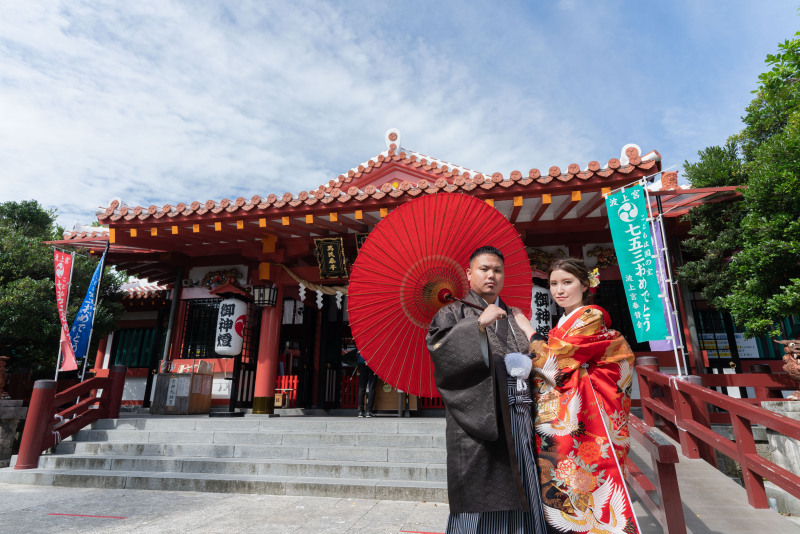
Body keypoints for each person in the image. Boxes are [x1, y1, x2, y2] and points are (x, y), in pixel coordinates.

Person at [513, 258, 640, 534]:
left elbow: (556, 362)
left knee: (586, 476)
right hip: (567, 412)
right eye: (553, 284)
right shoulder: (564, 322)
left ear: (585, 285)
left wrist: (528, 331)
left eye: (567, 282)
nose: (559, 290)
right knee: (562, 478)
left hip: (586, 417)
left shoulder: (590, 317)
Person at [427, 245, 547, 533]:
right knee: (478, 491)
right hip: (478, 417)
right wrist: (477, 325)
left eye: (497, 270)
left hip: (519, 416)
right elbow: (442, 356)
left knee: (523, 481)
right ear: (469, 274)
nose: (491, 275)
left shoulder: (513, 315)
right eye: (484, 269)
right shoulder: (451, 312)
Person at [356, 352, 377, 418]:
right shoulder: (376, 345)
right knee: (371, 387)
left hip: (362, 363)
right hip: (373, 363)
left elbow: (357, 354)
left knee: (362, 387)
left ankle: (360, 411)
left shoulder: (361, 345)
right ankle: (368, 411)